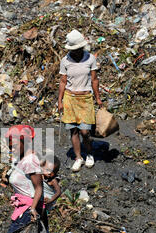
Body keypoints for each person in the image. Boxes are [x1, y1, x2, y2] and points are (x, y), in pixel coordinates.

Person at [58, 29, 104, 172]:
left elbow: (94, 80)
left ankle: (89, 154)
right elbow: (63, 82)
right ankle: (78, 158)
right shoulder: (65, 61)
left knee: (85, 131)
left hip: (85, 98)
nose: (77, 52)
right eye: (74, 49)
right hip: (70, 98)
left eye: (78, 49)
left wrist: (98, 98)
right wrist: (59, 101)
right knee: (74, 131)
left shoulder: (90, 58)